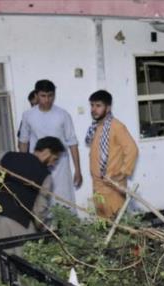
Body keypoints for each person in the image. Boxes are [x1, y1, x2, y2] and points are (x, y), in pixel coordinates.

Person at [0, 137, 64, 242]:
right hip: (16, 224)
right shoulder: (45, 176)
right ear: (47, 152)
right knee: (22, 256)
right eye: (54, 159)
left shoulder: (7, 156)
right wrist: (46, 229)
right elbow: (39, 213)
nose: (53, 164)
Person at [18, 80, 82, 208]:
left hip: (60, 166)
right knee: (41, 202)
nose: (47, 100)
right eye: (43, 96)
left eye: (50, 95)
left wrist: (78, 170)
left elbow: (72, 143)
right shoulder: (28, 115)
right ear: (36, 95)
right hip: (37, 165)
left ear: (54, 95)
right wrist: (24, 169)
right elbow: (23, 142)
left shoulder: (63, 115)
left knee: (64, 201)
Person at [85, 90, 138, 219]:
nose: (94, 109)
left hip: (112, 186)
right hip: (98, 185)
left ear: (108, 108)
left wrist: (121, 174)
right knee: (103, 224)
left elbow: (132, 150)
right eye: (92, 105)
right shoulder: (95, 127)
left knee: (117, 225)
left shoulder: (116, 126)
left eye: (98, 106)